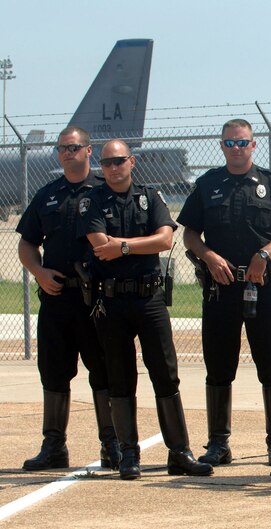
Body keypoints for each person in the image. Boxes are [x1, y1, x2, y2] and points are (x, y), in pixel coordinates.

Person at [78, 139, 212, 480]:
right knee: (120, 377)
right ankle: (128, 453)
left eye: (118, 160)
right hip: (111, 301)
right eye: (106, 162)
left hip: (149, 299)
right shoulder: (91, 201)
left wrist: (121, 246)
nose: (112, 167)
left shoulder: (150, 197)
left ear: (131, 162)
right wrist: (137, 245)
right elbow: (98, 245)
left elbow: (166, 239)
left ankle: (179, 452)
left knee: (166, 373)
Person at [177, 119, 271, 467]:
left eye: (242, 142)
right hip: (221, 290)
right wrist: (207, 255)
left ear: (253, 144)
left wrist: (265, 254)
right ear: (222, 146)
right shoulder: (207, 185)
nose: (236, 148)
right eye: (230, 143)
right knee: (219, 366)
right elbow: (189, 234)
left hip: (264, 288)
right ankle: (219, 443)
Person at [16, 126, 120, 471]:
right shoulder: (47, 195)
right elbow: (27, 243)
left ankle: (111, 445)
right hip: (57, 296)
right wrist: (39, 273)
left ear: (89, 151)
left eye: (73, 147)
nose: (66, 153)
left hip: (97, 299)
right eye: (62, 148)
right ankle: (54, 447)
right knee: (54, 373)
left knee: (102, 371)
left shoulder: (106, 192)